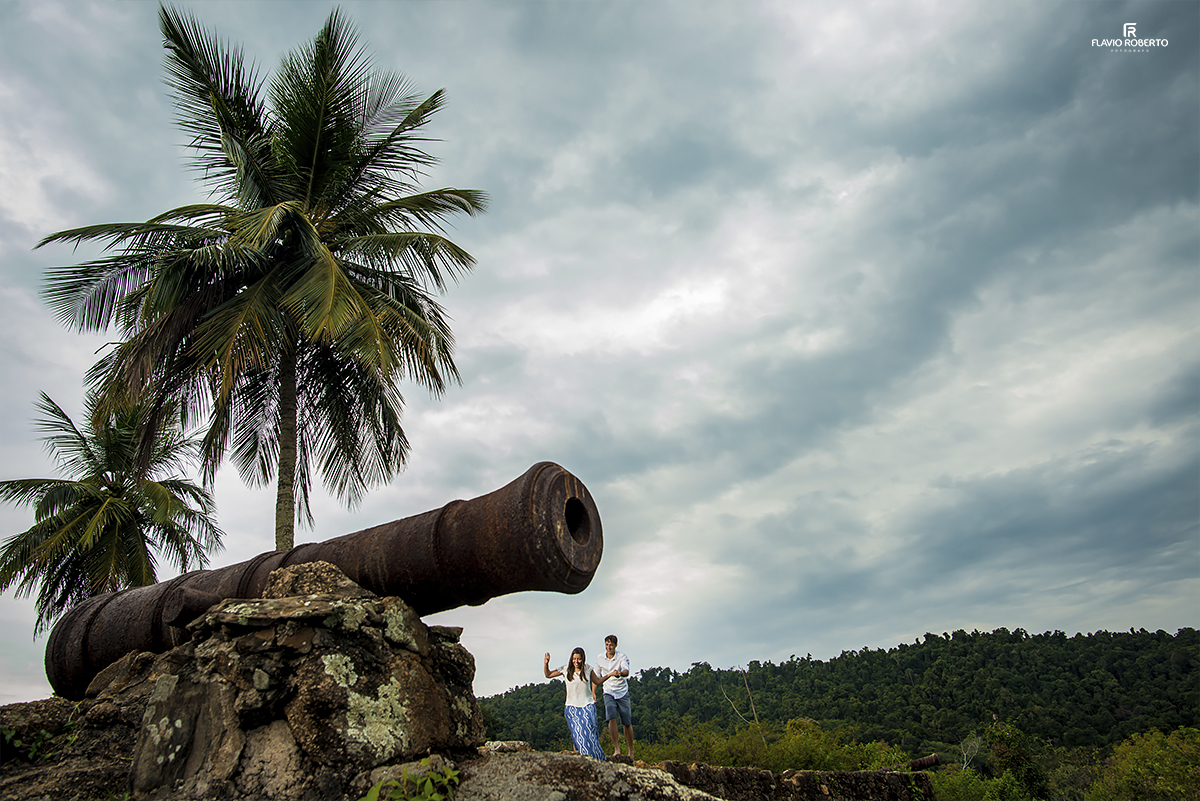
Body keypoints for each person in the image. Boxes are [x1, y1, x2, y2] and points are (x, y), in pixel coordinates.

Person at [543, 647, 605, 759]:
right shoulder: (565, 669)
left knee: (590, 728)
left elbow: (598, 681)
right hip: (572, 706)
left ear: (583, 659)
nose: (576, 661)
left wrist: (609, 675)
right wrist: (546, 663)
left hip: (587, 704)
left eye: (579, 659)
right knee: (577, 731)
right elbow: (548, 675)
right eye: (574, 659)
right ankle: (580, 756)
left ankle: (596, 756)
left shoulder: (588, 669)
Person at [595, 634, 633, 758]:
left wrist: (620, 673)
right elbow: (596, 678)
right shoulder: (600, 658)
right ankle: (617, 749)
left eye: (611, 645)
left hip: (622, 691)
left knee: (626, 722)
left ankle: (630, 751)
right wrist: (593, 693)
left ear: (615, 645)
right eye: (607, 644)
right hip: (608, 691)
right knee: (611, 717)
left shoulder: (622, 657)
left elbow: (626, 671)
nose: (609, 647)